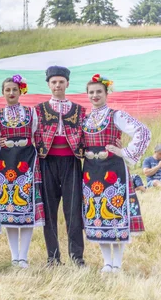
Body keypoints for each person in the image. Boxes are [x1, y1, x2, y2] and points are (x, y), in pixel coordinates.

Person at [81, 74, 151, 273]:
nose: (95, 96)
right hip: (91, 172)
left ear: (106, 93)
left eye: (98, 92)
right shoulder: (85, 119)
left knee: (115, 212)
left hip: (113, 169)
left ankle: (117, 263)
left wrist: (125, 152)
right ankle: (106, 262)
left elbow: (143, 131)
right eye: (91, 92)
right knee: (97, 214)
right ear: (87, 95)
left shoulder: (116, 115)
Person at [34, 66, 86, 267]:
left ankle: (77, 257)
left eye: (61, 82)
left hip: (72, 161)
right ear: (48, 84)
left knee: (73, 209)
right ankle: (53, 257)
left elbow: (87, 134)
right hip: (47, 162)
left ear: (67, 84)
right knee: (49, 210)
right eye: (54, 82)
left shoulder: (79, 110)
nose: (57, 85)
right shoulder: (39, 109)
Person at [0, 75, 45, 269]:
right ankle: (14, 256)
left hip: (28, 164)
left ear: (21, 91)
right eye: (7, 90)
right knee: (10, 210)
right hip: (6, 165)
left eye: (14, 89)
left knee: (27, 210)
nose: (11, 93)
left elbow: (37, 136)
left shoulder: (31, 113)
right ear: (3, 92)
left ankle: (23, 256)